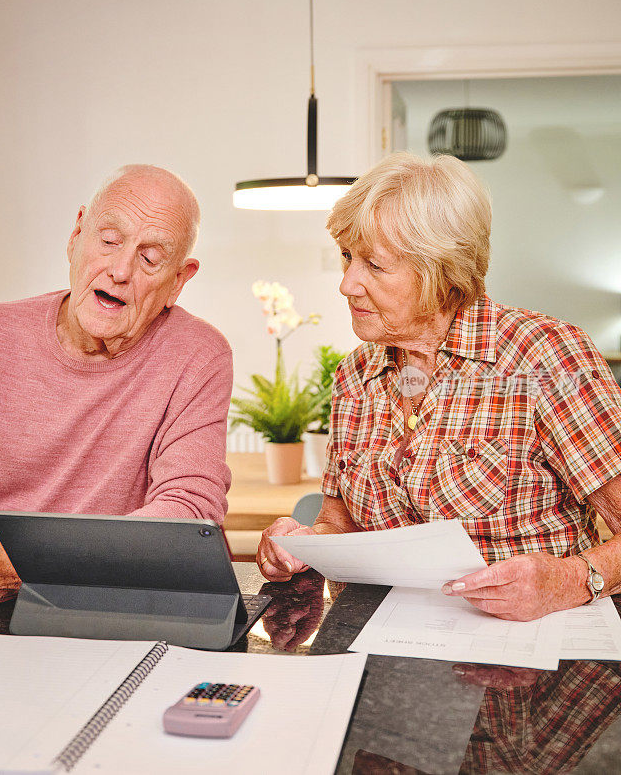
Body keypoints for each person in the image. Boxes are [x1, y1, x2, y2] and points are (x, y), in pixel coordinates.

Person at [257, 152, 621, 621]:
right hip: (386, 644)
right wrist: (305, 543)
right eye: (347, 257)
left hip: (525, 651)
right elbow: (339, 522)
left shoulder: (545, 356)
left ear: (442, 273)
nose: (347, 284)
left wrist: (572, 579)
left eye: (375, 265)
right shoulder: (354, 377)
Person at [0, 164, 233, 613]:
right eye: (109, 240)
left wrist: (22, 569)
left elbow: (187, 520)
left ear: (178, 281)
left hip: (114, 611)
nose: (120, 270)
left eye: (150, 258)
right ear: (76, 235)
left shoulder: (199, 354)